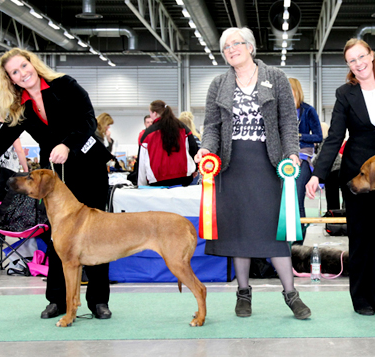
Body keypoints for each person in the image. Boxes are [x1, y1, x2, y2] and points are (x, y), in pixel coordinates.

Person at [0, 48, 114, 320]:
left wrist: (67, 145)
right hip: (55, 176)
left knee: (96, 235)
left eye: (24, 66)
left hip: (87, 166)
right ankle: (57, 300)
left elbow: (87, 119)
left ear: (32, 64)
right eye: (15, 72)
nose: (23, 73)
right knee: (57, 236)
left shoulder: (65, 85)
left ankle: (98, 301)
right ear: (10, 79)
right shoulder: (21, 107)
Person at [194, 27, 311, 320]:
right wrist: (206, 150)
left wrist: (293, 153)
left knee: (275, 232)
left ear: (249, 46)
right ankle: (243, 293)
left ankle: (291, 294)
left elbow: (287, 121)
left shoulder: (275, 77)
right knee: (239, 231)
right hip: (231, 166)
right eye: (225, 47)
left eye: (236, 43)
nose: (231, 49)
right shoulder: (218, 84)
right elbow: (211, 127)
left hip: (269, 164)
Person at [306, 38, 375, 316]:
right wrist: (317, 176)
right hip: (358, 173)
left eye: (361, 57)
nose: (358, 64)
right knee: (360, 237)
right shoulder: (345, 93)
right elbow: (334, 137)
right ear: (349, 66)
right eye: (351, 61)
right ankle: (362, 300)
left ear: (372, 55)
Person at [137, 100, 198, 187]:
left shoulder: (148, 134)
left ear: (154, 113)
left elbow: (141, 162)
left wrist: (141, 185)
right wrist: (195, 168)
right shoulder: (183, 128)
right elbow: (194, 149)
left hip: (158, 181)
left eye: (150, 113)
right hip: (183, 178)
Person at [288, 78, 323, 219]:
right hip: (283, 158)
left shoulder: (308, 111)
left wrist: (299, 136)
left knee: (297, 197)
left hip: (303, 158)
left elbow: (318, 136)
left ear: (296, 91)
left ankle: (299, 237)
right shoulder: (278, 111)